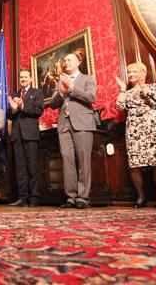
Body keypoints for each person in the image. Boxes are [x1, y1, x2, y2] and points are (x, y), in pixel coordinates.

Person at [49, 51, 98, 209]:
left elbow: (91, 97)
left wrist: (72, 88)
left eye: (69, 60)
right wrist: (62, 91)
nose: (66, 62)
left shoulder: (88, 78)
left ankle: (83, 197)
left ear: (78, 62)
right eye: (65, 60)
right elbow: (53, 104)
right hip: (64, 124)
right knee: (67, 159)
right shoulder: (60, 81)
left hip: (83, 123)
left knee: (83, 159)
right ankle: (71, 197)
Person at [114, 62, 156, 208]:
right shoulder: (127, 92)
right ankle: (141, 195)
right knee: (134, 163)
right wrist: (122, 89)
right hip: (133, 127)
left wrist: (142, 86)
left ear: (143, 73)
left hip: (151, 125)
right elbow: (119, 106)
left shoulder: (153, 86)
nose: (131, 75)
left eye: (134, 72)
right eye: (129, 73)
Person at [7, 70, 44, 207]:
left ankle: (34, 198)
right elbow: (9, 115)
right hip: (17, 135)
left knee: (32, 167)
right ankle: (22, 198)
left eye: (25, 77)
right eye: (21, 76)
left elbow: (39, 111)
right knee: (20, 168)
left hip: (31, 134)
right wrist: (13, 109)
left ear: (31, 79)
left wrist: (22, 106)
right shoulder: (15, 94)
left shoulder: (37, 93)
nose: (23, 79)